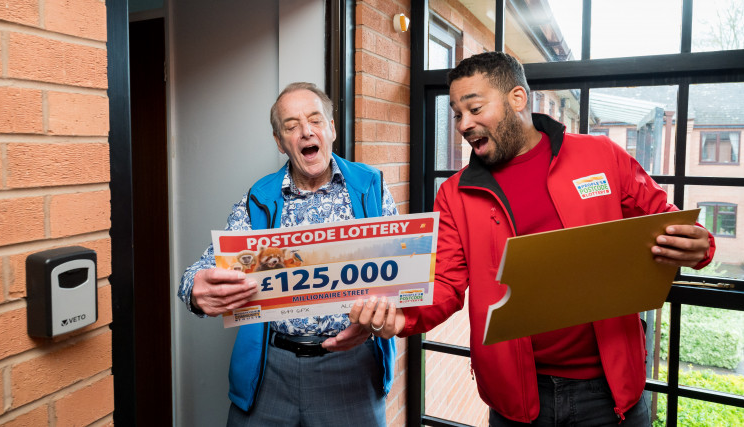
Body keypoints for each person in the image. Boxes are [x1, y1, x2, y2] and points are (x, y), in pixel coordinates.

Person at [345, 52, 716, 426]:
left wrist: (700, 244)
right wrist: (400, 316)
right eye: (458, 115)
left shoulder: (601, 156)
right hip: (517, 400)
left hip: (611, 392)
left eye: (474, 108)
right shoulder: (455, 194)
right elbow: (445, 284)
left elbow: (663, 217)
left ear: (517, 99)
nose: (463, 124)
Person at [177, 82, 397, 427]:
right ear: (280, 143)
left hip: (351, 368)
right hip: (270, 371)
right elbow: (205, 267)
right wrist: (194, 288)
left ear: (332, 129)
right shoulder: (260, 198)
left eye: (315, 120)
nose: (306, 131)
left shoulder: (371, 187)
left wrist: (384, 312)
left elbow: (400, 272)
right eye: (291, 126)